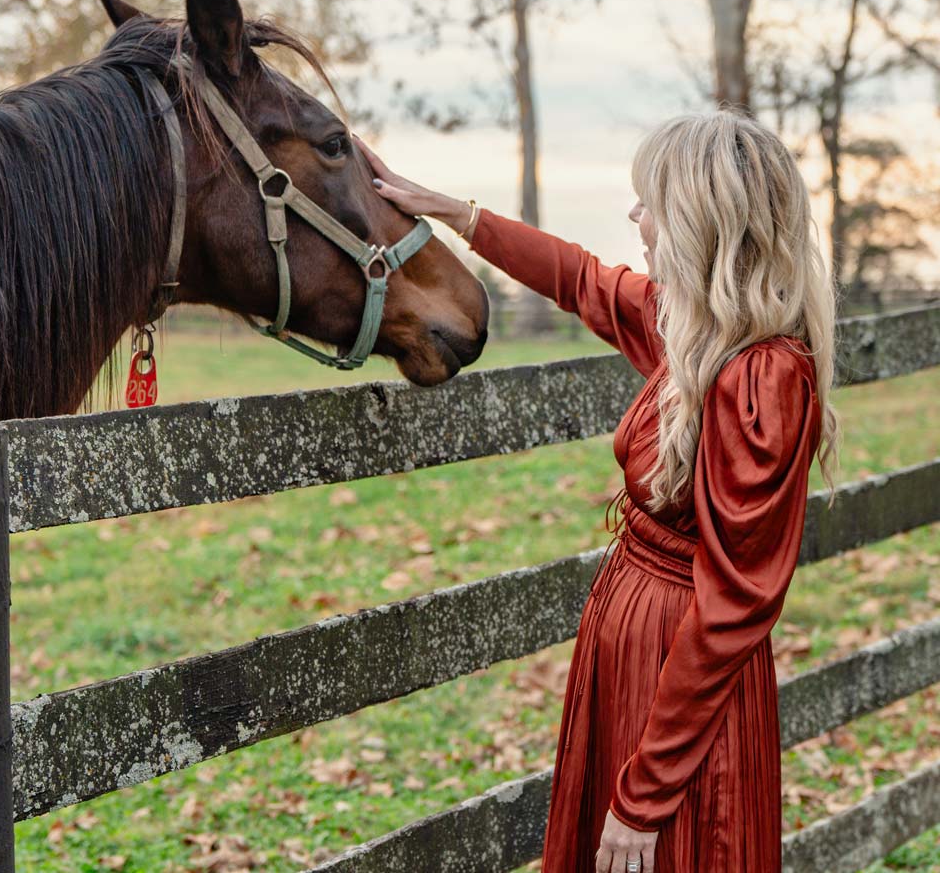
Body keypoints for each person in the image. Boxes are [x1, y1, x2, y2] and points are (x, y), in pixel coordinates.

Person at [352, 110, 842, 873]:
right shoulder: (690, 329)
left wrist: (645, 795)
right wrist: (455, 213)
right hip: (631, 642)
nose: (634, 216)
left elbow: (736, 604)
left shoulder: (762, 376)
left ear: (695, 220)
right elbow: (577, 277)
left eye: (648, 200)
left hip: (680, 668)